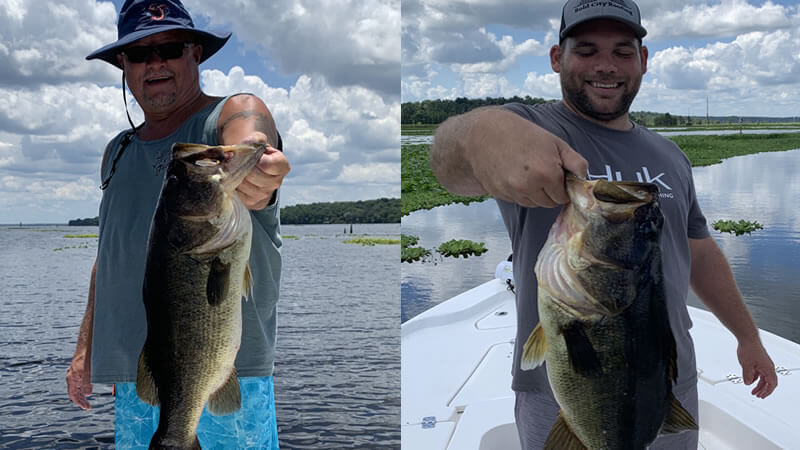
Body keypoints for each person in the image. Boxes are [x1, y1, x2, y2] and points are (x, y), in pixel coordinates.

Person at [430, 0, 778, 448]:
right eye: (587, 49)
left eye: (622, 51)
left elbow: (700, 250)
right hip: (567, 387)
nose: (606, 66)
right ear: (557, 58)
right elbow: (448, 163)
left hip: (668, 380)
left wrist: (748, 337)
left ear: (643, 61)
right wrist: (482, 132)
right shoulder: (531, 131)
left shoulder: (670, 155)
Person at [65, 0, 290, 448]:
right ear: (122, 66)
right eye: (138, 54)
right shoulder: (117, 150)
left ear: (196, 54)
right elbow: (111, 253)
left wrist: (258, 162)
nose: (155, 63)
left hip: (225, 369)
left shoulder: (226, 114)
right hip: (135, 377)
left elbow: (251, 131)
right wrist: (85, 346)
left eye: (168, 47)